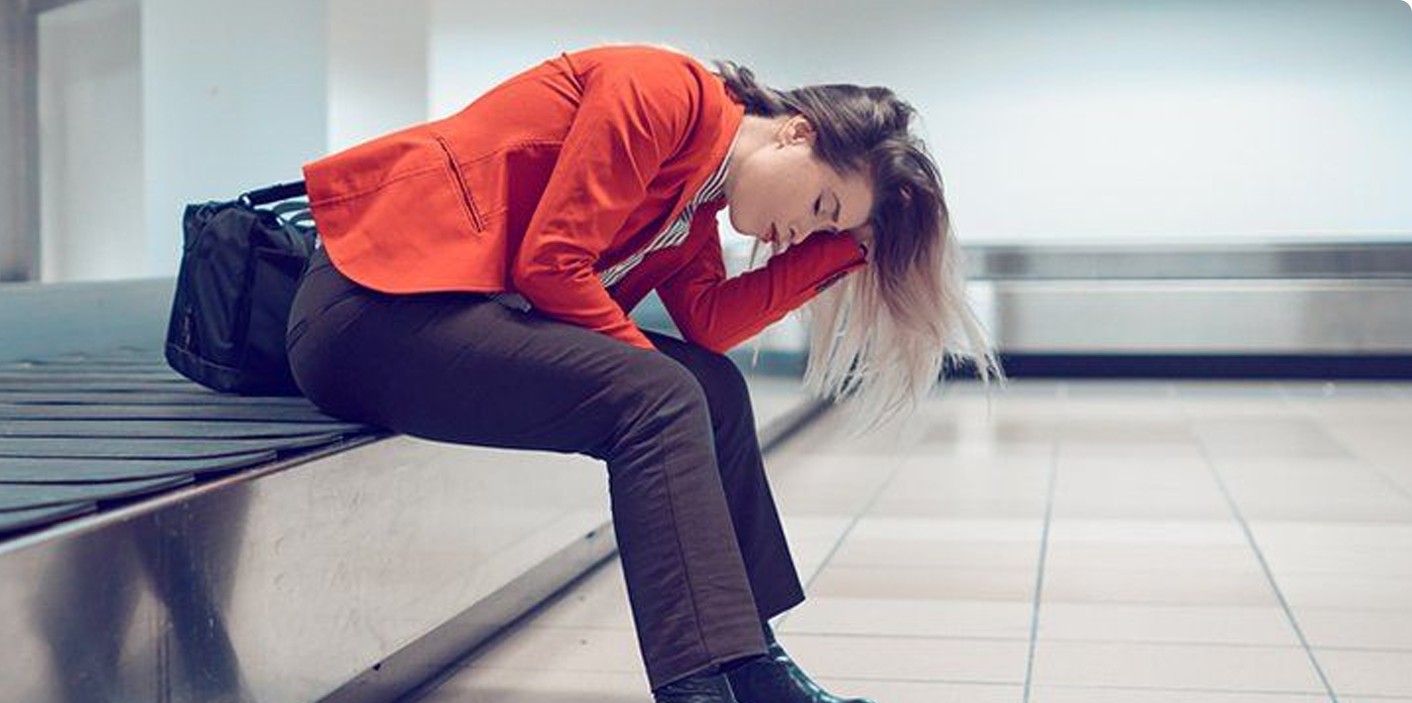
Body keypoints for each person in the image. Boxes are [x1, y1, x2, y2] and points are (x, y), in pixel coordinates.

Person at [285, 43, 1002, 703]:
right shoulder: (661, 94)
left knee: (716, 390)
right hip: (370, 310)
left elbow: (711, 324)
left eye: (826, 226)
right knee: (661, 394)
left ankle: (753, 667)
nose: (803, 232)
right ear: (796, 132)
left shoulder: (697, 204)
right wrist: (654, 376)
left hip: (454, 319)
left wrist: (847, 249)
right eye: (821, 207)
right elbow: (551, 263)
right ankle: (696, 687)